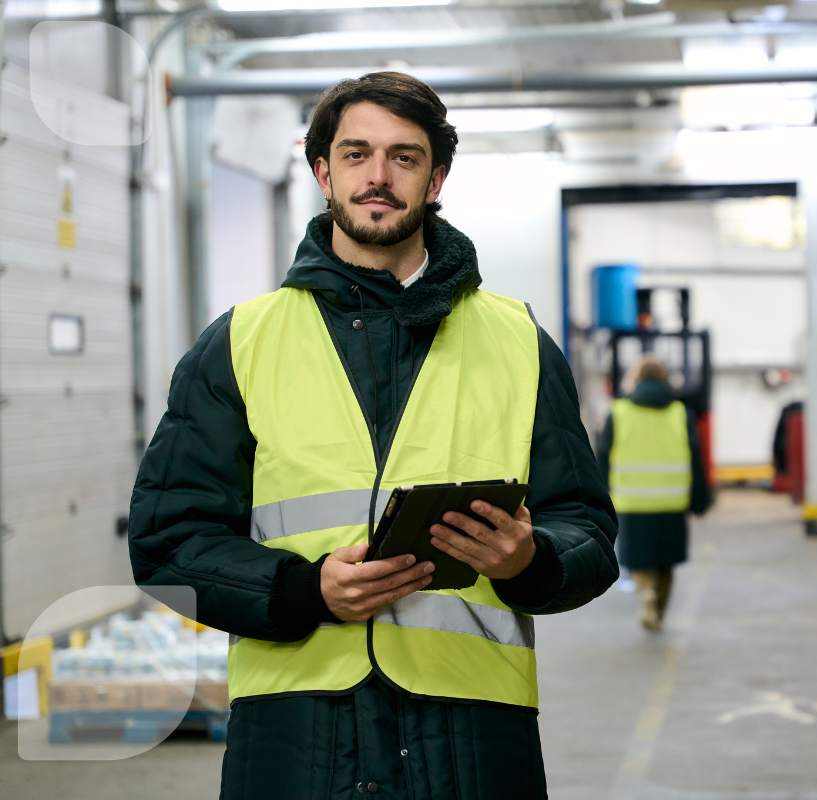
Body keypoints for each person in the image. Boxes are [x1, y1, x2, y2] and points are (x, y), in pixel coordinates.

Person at [128, 71, 617, 799]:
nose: (378, 176)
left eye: (404, 157)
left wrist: (530, 560)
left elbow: (586, 530)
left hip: (473, 740)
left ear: (437, 176)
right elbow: (168, 542)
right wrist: (306, 589)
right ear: (323, 172)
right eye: (356, 155)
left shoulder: (519, 342)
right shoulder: (239, 344)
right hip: (296, 739)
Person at [596, 355, 711, 631]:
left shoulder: (620, 412)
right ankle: (659, 607)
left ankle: (645, 593)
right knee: (666, 561)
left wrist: (598, 498)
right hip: (672, 501)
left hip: (632, 501)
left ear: (636, 379)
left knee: (639, 558)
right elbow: (695, 459)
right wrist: (700, 501)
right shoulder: (680, 414)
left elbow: (603, 457)